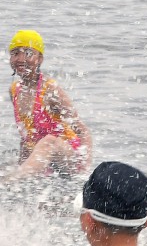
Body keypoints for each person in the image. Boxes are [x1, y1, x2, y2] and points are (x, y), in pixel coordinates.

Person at [7, 30, 91, 177]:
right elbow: (26, 136)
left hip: (67, 156)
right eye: (15, 53)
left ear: (40, 59)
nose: (20, 59)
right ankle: (18, 177)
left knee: (49, 142)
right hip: (43, 159)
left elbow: (82, 130)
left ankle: (13, 180)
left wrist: (85, 170)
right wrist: (20, 163)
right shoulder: (14, 90)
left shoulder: (50, 90)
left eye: (28, 53)